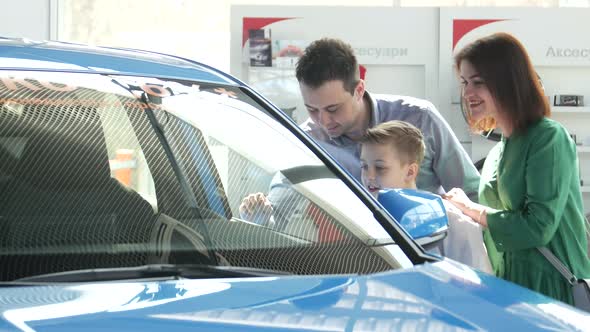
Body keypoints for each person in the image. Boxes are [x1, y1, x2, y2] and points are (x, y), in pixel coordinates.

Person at [444, 32, 590, 305]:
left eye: (478, 82)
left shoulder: (548, 138)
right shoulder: (499, 150)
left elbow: (538, 226)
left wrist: (471, 209)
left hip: (552, 291)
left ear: (507, 82)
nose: (467, 93)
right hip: (510, 289)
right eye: (464, 82)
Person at [296, 37, 480, 200]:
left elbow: (472, 193)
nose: (324, 121)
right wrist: (267, 208)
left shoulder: (420, 118)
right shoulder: (307, 140)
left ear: (359, 90)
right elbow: (281, 206)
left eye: (333, 109)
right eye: (312, 109)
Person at [360, 120, 492, 273]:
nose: (369, 175)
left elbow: (478, 279)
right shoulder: (363, 218)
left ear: (410, 172)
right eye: (364, 166)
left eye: (380, 168)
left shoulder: (449, 218)